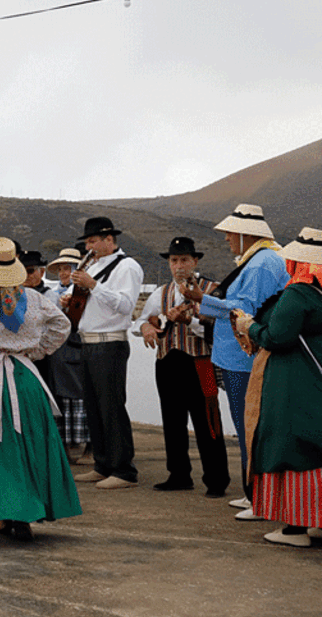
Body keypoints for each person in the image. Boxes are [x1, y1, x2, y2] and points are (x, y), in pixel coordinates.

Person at [0, 238, 81, 541]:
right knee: (28, 442)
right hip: (24, 377)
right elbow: (62, 325)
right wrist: (37, 351)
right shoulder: (35, 299)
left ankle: (1, 510)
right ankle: (26, 511)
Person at [184, 204, 290, 518]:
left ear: (246, 234)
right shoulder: (259, 259)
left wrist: (203, 299)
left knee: (249, 425)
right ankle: (253, 492)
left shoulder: (259, 264)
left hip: (242, 357)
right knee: (246, 424)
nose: (228, 239)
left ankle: (258, 496)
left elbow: (242, 310)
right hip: (236, 355)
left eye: (231, 233)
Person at [238, 227, 322, 546]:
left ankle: (294, 527)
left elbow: (276, 336)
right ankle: (318, 521)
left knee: (290, 444)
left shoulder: (298, 293)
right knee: (316, 445)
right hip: (315, 381)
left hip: (292, 382)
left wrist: (251, 327)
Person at [138, 237, 229, 496]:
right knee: (172, 420)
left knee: (208, 419)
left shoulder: (213, 289)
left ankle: (216, 479)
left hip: (201, 361)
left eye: (184, 260)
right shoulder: (162, 292)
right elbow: (145, 319)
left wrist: (190, 321)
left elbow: (221, 328)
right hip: (168, 362)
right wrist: (146, 326)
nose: (179, 266)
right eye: (174, 260)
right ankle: (178, 474)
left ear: (195, 261)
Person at [63, 217, 144, 490]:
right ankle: (102, 464)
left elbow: (125, 306)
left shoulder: (127, 267)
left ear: (110, 239)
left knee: (111, 406)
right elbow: (94, 304)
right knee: (94, 408)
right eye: (87, 242)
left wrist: (94, 285)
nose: (89, 246)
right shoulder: (94, 265)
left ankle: (124, 470)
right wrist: (72, 300)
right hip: (88, 341)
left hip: (110, 342)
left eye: (94, 241)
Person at [42, 248, 89, 460]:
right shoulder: (54, 293)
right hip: (60, 351)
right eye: (60, 269)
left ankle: (82, 444)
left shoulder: (80, 291)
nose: (63, 273)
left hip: (74, 346)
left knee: (76, 396)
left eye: (67, 268)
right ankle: (68, 445)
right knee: (61, 395)